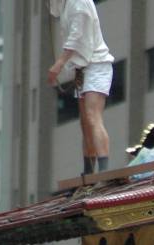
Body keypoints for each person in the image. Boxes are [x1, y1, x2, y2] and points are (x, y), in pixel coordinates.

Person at [47, 0, 113, 175]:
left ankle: (104, 170)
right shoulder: (69, 4)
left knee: (93, 117)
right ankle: (88, 171)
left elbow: (77, 37)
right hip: (83, 69)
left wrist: (59, 64)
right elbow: (54, 10)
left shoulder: (80, 3)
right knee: (85, 123)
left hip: (97, 64)